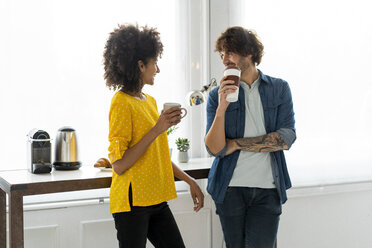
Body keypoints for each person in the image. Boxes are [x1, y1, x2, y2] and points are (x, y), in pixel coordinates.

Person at [103, 24, 204, 248]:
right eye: (154, 63)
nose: (157, 70)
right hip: (132, 203)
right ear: (140, 65)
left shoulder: (149, 101)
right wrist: (158, 128)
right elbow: (119, 165)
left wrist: (190, 180)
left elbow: (156, 155)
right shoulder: (120, 102)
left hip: (156, 199)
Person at [205, 26, 296, 248]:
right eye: (222, 53)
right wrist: (222, 108)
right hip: (230, 188)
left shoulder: (279, 88)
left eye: (230, 52)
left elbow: (286, 137)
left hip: (268, 189)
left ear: (250, 53)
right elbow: (215, 149)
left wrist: (236, 144)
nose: (224, 58)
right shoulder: (216, 96)